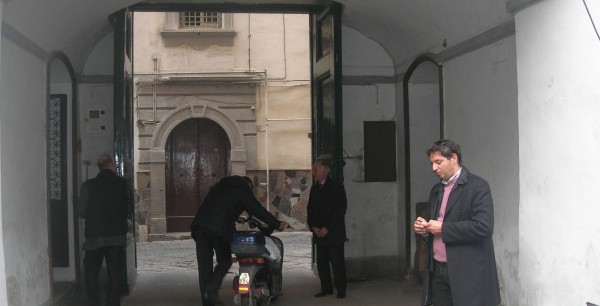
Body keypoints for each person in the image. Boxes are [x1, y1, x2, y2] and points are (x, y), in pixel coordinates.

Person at [413, 139, 501, 306]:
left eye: (438, 162)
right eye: (432, 163)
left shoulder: (478, 187)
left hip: (467, 269)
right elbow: (435, 226)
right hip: (437, 269)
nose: (434, 168)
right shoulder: (437, 190)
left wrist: (443, 228)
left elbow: (484, 227)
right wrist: (424, 229)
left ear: (453, 158)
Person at [190, 175, 289, 306]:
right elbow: (257, 210)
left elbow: (219, 207)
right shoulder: (242, 190)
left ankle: (207, 300)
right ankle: (211, 290)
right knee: (225, 260)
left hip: (200, 227)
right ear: (248, 186)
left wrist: (236, 216)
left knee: (204, 265)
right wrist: (277, 224)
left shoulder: (220, 186)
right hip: (218, 230)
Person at [78, 154, 130, 306]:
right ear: (112, 166)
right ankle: (112, 303)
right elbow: (127, 209)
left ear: (99, 167)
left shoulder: (87, 185)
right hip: (116, 237)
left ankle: (94, 302)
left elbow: (81, 212)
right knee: (115, 275)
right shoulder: (122, 184)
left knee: (91, 274)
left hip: (94, 237)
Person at [306, 157, 348, 299]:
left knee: (337, 264)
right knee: (322, 265)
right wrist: (313, 227)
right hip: (319, 234)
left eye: (315, 170)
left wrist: (327, 227)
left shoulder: (337, 188)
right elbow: (310, 210)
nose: (313, 173)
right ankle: (326, 288)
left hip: (334, 234)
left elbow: (340, 210)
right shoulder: (314, 188)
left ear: (325, 171)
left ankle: (341, 289)